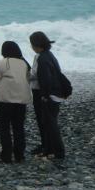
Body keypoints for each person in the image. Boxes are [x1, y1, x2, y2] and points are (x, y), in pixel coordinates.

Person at [0, 41, 32, 163]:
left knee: (4, 127)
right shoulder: (24, 63)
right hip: (22, 99)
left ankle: (6, 155)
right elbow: (28, 79)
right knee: (18, 127)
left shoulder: (3, 62)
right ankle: (19, 155)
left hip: (6, 99)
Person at [29, 31, 65, 159]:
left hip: (45, 94)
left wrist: (45, 96)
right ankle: (48, 147)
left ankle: (58, 151)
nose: (31, 46)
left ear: (37, 44)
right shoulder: (48, 55)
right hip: (53, 93)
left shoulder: (42, 58)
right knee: (47, 122)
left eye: (32, 44)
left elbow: (45, 79)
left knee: (49, 123)